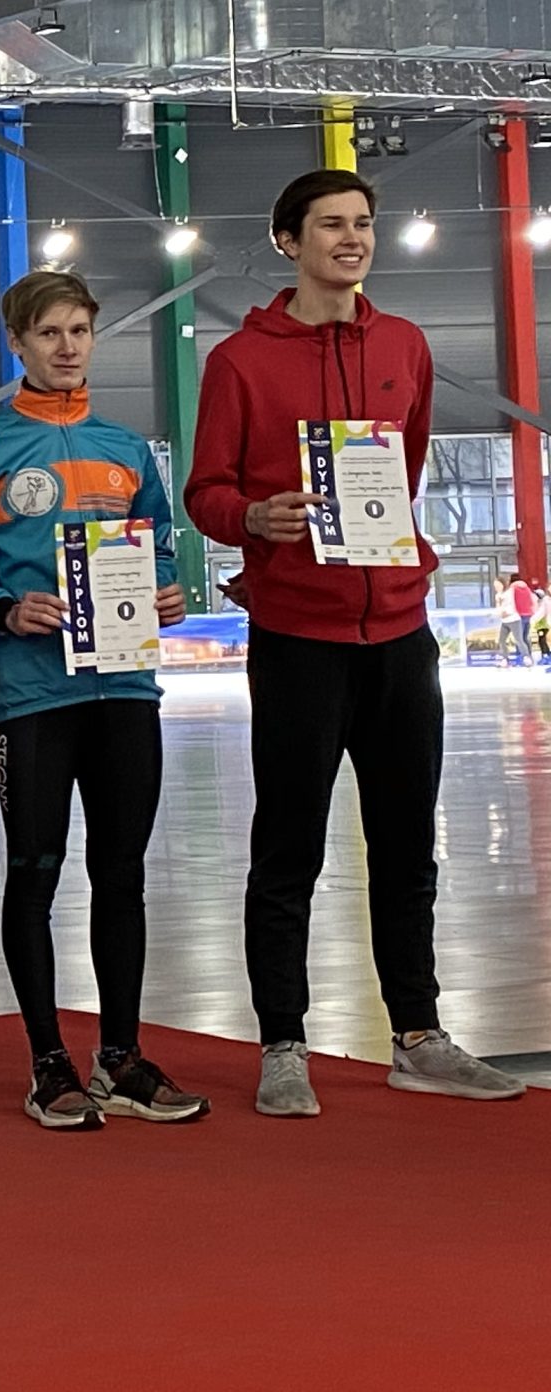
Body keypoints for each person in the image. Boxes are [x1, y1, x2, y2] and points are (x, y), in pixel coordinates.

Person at [185, 167, 524, 1112]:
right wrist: (255, 519)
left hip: (401, 634)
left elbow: (403, 470)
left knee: (409, 846)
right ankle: (283, 1045)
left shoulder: (405, 344)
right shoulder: (239, 362)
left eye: (363, 223)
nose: (352, 239)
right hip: (298, 636)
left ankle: (417, 1035)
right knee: (288, 849)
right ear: (288, 241)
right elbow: (205, 490)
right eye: (331, 224)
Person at [0, 270, 208, 1131]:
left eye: (80, 331)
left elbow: (159, 549)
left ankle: (120, 1058)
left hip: (127, 690)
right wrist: (1, 609)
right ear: (17, 342)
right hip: (34, 699)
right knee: (34, 873)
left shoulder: (128, 449)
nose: (67, 347)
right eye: (49, 333)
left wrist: (167, 592)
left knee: (122, 876)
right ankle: (48, 1062)